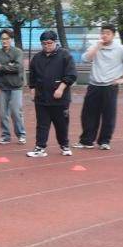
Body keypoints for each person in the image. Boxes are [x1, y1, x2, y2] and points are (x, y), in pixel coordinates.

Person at [76, 25, 123, 150]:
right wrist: (97, 48)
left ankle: (104, 141)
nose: (104, 35)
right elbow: (85, 59)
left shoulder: (121, 49)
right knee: (88, 114)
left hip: (110, 86)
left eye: (108, 33)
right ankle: (87, 141)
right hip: (94, 85)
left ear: (113, 35)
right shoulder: (95, 46)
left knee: (108, 115)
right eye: (103, 33)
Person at [26, 30, 77, 158]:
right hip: (41, 98)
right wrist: (32, 90)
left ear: (55, 42)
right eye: (44, 44)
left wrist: (61, 88)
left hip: (60, 99)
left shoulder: (65, 55)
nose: (47, 46)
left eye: (49, 43)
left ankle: (64, 145)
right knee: (42, 124)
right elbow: (32, 76)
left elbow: (71, 74)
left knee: (61, 124)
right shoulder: (37, 58)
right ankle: (40, 147)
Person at [0, 29, 27, 145]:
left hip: (16, 86)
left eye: (7, 39)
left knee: (16, 111)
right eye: (2, 39)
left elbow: (18, 67)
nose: (4, 41)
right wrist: (8, 66)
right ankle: (5, 135)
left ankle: (21, 134)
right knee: (3, 113)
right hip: (3, 87)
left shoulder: (17, 52)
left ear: (11, 39)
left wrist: (2, 67)